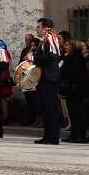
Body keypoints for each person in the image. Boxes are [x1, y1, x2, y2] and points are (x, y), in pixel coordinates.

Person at [32, 17, 62, 145]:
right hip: (44, 77)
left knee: (50, 108)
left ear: (46, 28)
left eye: (39, 27)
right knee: (46, 108)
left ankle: (53, 136)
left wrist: (33, 58)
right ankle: (48, 135)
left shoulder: (51, 38)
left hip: (50, 78)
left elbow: (52, 56)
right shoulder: (44, 40)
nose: (37, 30)